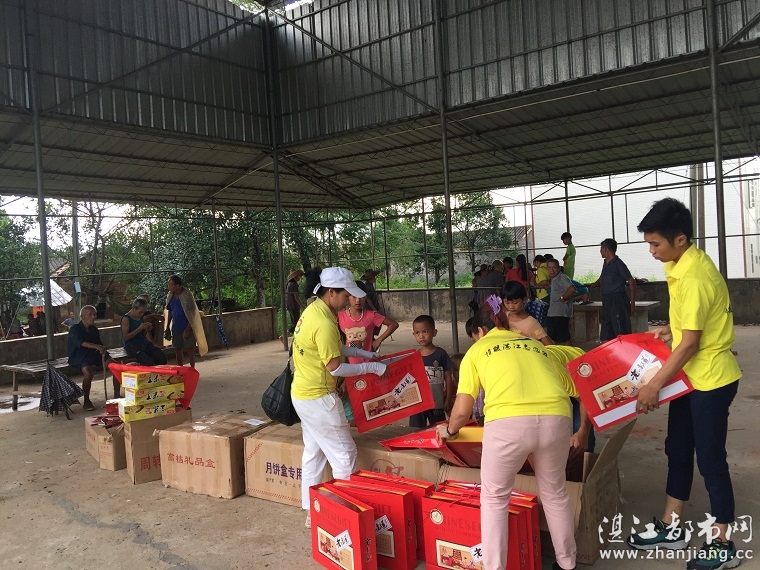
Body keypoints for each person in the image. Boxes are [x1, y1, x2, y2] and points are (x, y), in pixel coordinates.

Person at [627, 198, 742, 570]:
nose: (651, 251)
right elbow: (692, 326)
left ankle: (722, 543)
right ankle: (671, 527)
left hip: (710, 380)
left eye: (655, 243)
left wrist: (653, 385)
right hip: (690, 378)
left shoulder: (693, 277)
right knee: (677, 449)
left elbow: (691, 343)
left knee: (710, 460)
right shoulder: (683, 264)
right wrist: (670, 329)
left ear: (680, 239)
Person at [439, 301, 590, 570]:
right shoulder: (535, 346)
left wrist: (449, 431)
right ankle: (567, 563)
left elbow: (461, 411)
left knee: (495, 498)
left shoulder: (478, 350)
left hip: (508, 423)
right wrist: (584, 430)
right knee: (555, 493)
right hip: (557, 418)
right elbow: (582, 385)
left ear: (481, 331)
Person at [291, 267, 387, 528]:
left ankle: (312, 511)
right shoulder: (323, 321)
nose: (349, 300)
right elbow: (335, 367)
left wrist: (364, 353)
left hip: (302, 395)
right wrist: (370, 367)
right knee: (344, 456)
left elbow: (332, 346)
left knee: (313, 453)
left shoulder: (313, 311)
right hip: (319, 399)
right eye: (346, 295)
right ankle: (343, 517)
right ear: (331, 292)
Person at [338, 281, 399, 422]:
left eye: (361, 297)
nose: (357, 300)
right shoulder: (340, 317)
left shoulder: (371, 316)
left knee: (372, 399)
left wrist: (379, 340)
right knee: (352, 400)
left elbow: (393, 324)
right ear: (348, 297)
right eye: (353, 296)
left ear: (366, 297)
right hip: (350, 366)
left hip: (370, 365)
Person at [67, 305, 117, 411]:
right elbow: (81, 343)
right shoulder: (75, 329)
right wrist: (96, 347)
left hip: (94, 354)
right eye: (90, 315)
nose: (93, 317)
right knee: (88, 372)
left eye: (95, 314)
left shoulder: (94, 329)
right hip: (80, 356)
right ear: (82, 317)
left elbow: (99, 344)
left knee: (115, 366)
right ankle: (87, 401)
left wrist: (102, 348)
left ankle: (117, 396)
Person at [586, 238, 637, 341]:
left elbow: (632, 282)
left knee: (621, 331)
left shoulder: (619, 264)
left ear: (606, 249)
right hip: (607, 299)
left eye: (601, 249)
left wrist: (632, 304)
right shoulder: (605, 263)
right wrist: (595, 284)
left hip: (618, 300)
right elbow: (603, 276)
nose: (600, 251)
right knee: (606, 331)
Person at [409, 315, 455, 424]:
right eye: (417, 333)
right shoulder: (414, 357)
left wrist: (448, 399)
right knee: (417, 430)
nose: (421, 336)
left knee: (437, 428)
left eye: (425, 332)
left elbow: (448, 377)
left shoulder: (441, 354)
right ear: (413, 334)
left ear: (434, 332)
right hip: (418, 404)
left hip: (436, 403)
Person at [164, 275, 208, 368]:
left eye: (170, 285)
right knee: (177, 349)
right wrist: (167, 326)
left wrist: (188, 329)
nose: (168, 287)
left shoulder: (187, 296)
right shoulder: (170, 296)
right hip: (176, 327)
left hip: (187, 327)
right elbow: (170, 312)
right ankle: (180, 368)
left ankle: (192, 368)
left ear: (177, 286)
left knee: (190, 349)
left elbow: (192, 314)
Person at [503, 281, 553, 345]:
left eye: (515, 302)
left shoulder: (531, 323)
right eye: (507, 303)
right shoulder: (504, 316)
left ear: (524, 299)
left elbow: (549, 345)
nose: (511, 306)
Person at [121, 297, 167, 366]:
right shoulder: (126, 319)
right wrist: (139, 329)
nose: (142, 314)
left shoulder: (140, 318)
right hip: (132, 346)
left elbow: (142, 334)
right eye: (140, 312)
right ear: (135, 308)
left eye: (143, 312)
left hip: (144, 343)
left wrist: (146, 329)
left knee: (161, 357)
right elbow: (125, 337)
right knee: (148, 362)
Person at [546, 259, 576, 345]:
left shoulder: (562, 277)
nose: (552, 270)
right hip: (554, 313)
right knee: (553, 338)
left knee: (564, 338)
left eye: (554, 267)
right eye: (549, 268)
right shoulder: (555, 279)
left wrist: (563, 297)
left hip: (560, 314)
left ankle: (569, 353)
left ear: (559, 268)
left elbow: (572, 289)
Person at [285, 269, 306, 334]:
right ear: (295, 277)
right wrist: (302, 306)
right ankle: (285, 334)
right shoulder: (293, 284)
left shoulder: (289, 284)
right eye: (299, 276)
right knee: (296, 322)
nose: (300, 277)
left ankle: (294, 334)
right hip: (293, 305)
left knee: (295, 322)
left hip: (290, 305)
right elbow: (296, 297)